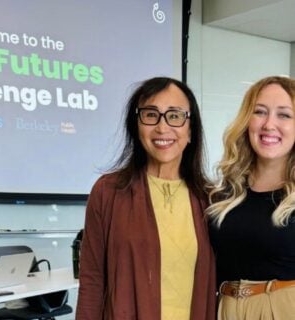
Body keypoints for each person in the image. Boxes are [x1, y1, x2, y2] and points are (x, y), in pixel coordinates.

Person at [76, 77, 216, 320]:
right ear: (136, 126)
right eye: (151, 115)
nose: (162, 128)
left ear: (191, 130)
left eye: (175, 116)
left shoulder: (210, 199)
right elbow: (92, 279)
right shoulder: (108, 192)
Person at [206, 75, 295, 320]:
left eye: (284, 115)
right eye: (259, 112)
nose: (269, 124)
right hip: (225, 308)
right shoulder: (224, 194)